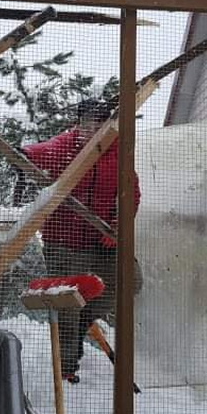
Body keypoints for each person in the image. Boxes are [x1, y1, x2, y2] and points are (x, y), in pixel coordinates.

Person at [15, 98, 143, 383]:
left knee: (129, 280)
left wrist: (117, 227)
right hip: (65, 240)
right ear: (79, 124)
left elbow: (131, 193)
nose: (91, 129)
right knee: (67, 304)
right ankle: (67, 368)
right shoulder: (68, 145)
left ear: (106, 124)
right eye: (86, 123)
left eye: (98, 123)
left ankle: (86, 320)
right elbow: (46, 152)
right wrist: (24, 155)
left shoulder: (119, 150)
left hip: (103, 239)